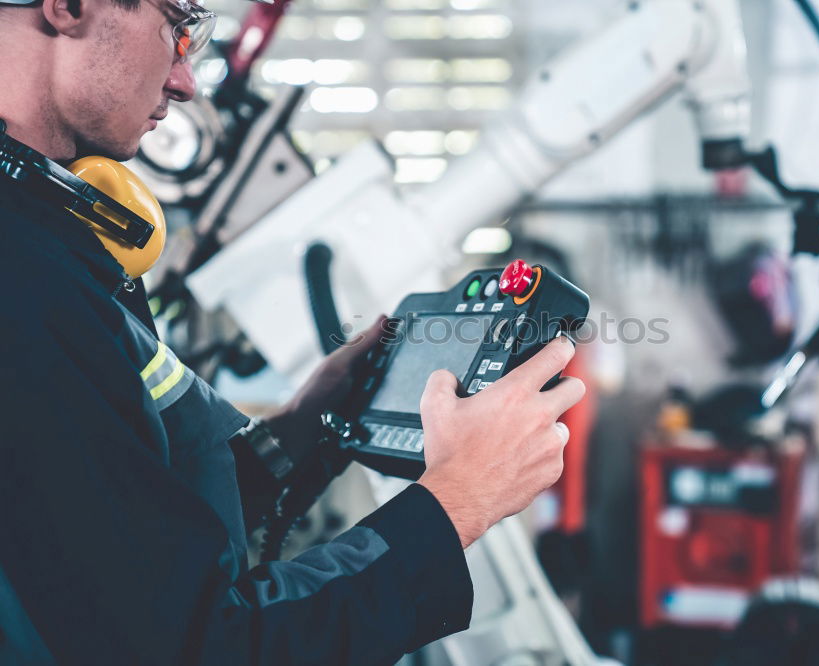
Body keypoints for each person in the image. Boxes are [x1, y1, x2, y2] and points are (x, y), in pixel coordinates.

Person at [0, 0, 586, 662]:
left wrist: (297, 432)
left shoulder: (46, 239)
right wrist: (457, 504)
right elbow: (204, 646)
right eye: (177, 25)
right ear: (69, 7)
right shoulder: (23, 279)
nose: (186, 80)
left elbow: (121, 526)